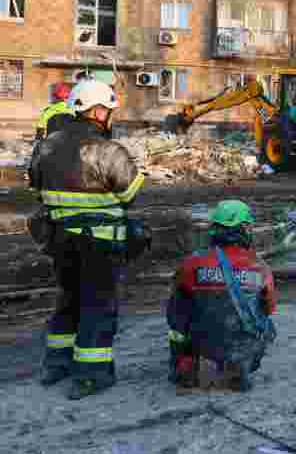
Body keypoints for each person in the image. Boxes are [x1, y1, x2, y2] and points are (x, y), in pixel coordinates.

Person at [29, 80, 145, 400]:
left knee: (68, 299)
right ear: (96, 110)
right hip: (100, 243)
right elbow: (130, 194)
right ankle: (92, 375)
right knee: (98, 305)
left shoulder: (45, 146)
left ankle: (57, 364)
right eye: (108, 110)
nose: (110, 117)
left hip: (59, 240)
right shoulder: (108, 150)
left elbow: (36, 189)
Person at [167, 200, 277, 392]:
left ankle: (184, 362)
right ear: (244, 229)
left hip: (202, 342)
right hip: (241, 344)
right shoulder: (259, 266)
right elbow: (269, 308)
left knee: (178, 307)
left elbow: (176, 309)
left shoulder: (192, 264)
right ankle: (241, 363)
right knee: (268, 325)